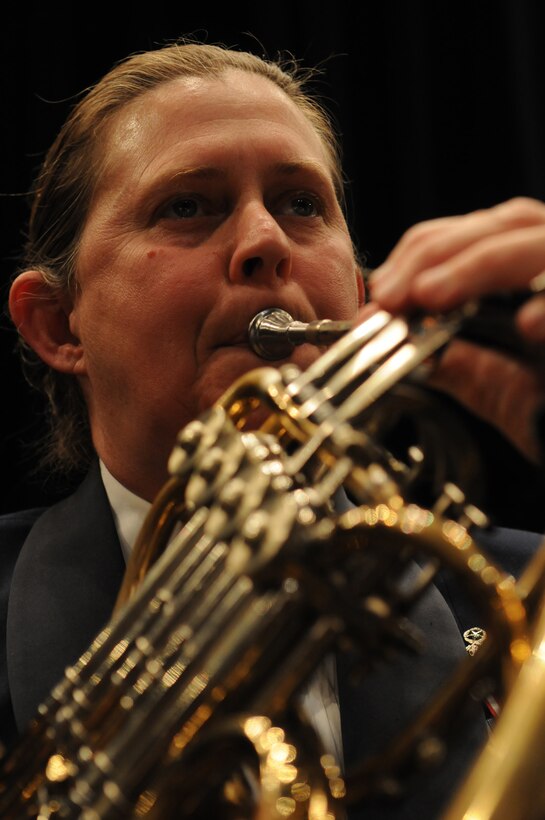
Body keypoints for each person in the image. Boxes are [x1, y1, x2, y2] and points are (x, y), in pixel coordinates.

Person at [1, 37, 544, 818]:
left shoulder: (523, 606)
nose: (265, 243)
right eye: (187, 206)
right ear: (58, 324)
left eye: (300, 205)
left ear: (358, 295)